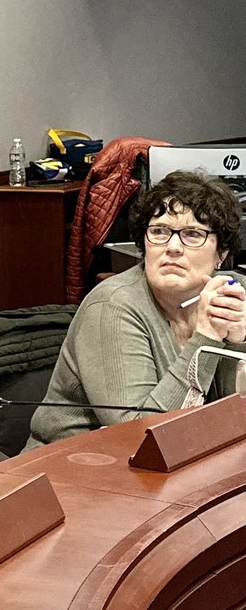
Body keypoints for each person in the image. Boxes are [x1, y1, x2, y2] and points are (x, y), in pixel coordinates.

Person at [28, 170, 246, 447]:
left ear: (222, 253)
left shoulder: (235, 293)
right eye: (159, 232)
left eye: (192, 234)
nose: (173, 247)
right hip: (78, 468)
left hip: (190, 461)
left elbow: (232, 419)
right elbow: (142, 437)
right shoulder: (112, 307)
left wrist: (238, 342)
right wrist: (205, 338)